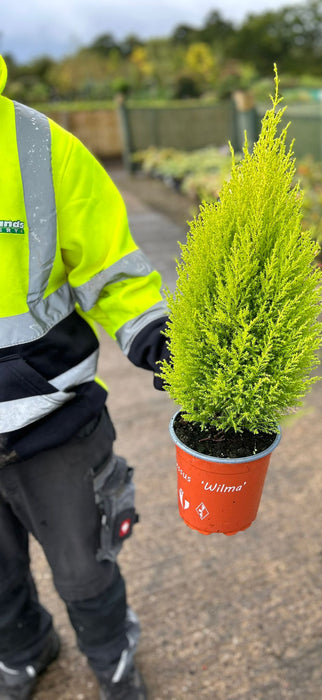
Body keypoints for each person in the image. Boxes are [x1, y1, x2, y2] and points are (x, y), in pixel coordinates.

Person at [0, 54, 170, 700]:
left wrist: (152, 330)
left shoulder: (40, 147)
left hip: (53, 421)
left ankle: (111, 656)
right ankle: (23, 649)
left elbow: (110, 266)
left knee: (84, 567)